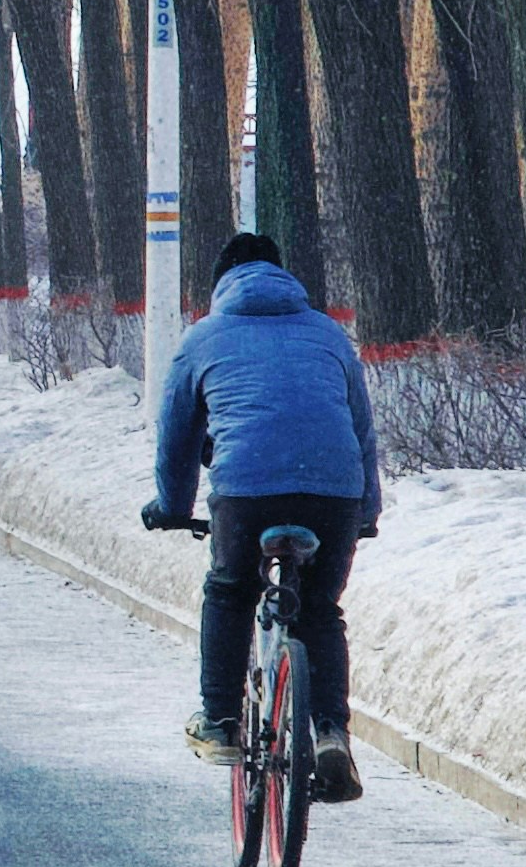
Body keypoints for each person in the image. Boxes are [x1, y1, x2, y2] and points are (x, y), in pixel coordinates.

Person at [142, 231, 379, 798]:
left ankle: (221, 722)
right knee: (319, 611)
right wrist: (365, 512)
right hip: (333, 493)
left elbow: (176, 441)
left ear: (221, 284)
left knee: (229, 588)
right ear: (285, 278)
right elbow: (362, 432)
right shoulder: (329, 334)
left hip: (247, 493)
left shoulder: (204, 337)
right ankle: (330, 734)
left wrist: (172, 508)